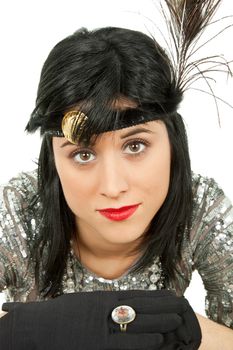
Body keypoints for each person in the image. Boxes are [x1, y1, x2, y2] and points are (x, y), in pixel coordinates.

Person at [0, 0, 232, 349]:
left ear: (173, 143)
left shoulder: (201, 210)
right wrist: (27, 329)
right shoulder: (19, 211)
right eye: (83, 154)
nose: (112, 186)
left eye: (135, 146)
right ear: (52, 158)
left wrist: (189, 329)